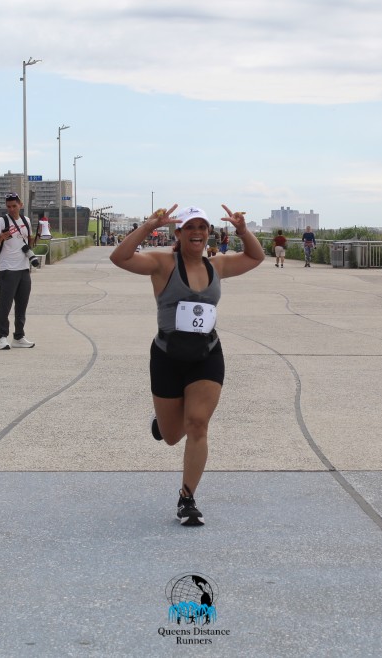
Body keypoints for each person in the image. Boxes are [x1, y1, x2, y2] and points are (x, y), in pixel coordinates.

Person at [109, 204, 264, 526]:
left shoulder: (217, 265)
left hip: (207, 354)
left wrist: (242, 231)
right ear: (178, 233)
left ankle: (187, 498)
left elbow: (255, 257)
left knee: (197, 424)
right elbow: (119, 258)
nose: (197, 232)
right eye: (190, 227)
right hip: (167, 355)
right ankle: (164, 420)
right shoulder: (163, 263)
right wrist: (147, 226)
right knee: (171, 436)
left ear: (209, 233)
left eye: (202, 227)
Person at [0, 192, 36, 350]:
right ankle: (2, 337)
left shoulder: (26, 220)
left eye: (14, 206)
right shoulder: (1, 221)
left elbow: (29, 243)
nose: (11, 209)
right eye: (8, 206)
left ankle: (19, 336)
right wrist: (1, 237)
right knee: (5, 305)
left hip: (24, 268)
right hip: (8, 268)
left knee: (22, 305)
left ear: (20, 205)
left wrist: (40, 234)